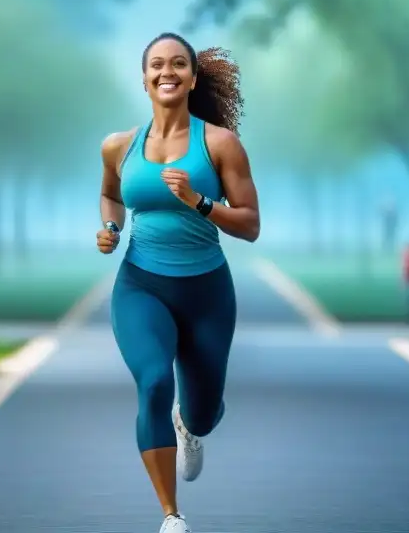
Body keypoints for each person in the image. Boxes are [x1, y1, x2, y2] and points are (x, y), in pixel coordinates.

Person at [96, 32, 261, 533]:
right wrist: (110, 229)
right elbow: (110, 196)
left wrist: (200, 202)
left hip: (207, 292)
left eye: (178, 65)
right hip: (141, 285)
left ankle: (190, 425)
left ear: (192, 77)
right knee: (153, 382)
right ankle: (172, 516)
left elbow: (250, 224)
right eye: (156, 65)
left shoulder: (219, 144)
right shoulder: (119, 146)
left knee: (205, 411)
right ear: (144, 78)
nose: (167, 72)